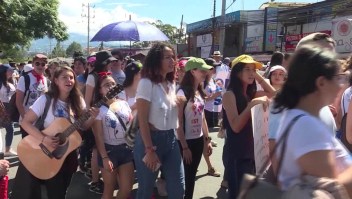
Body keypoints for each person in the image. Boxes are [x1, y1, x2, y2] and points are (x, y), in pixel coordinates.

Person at [273, 45, 352, 197]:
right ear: (321, 83)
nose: (341, 85)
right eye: (338, 78)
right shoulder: (306, 126)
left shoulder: (300, 118)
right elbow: (335, 190)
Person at [11, 66, 99, 199]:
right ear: (56, 80)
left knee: (60, 192)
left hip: (67, 155)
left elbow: (84, 126)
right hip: (44, 151)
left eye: (71, 77)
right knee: (41, 191)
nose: (69, 80)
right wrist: (43, 138)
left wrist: (92, 116)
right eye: (64, 77)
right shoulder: (46, 99)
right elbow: (25, 122)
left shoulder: (78, 101)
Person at [134, 43, 185, 199]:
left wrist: (180, 103)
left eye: (173, 57)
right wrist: (149, 150)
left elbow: (172, 116)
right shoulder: (146, 83)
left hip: (170, 140)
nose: (172, 61)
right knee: (146, 190)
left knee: (178, 188)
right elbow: (142, 120)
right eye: (167, 57)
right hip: (150, 141)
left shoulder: (171, 84)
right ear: (156, 60)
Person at [222, 54, 275, 198]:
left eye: (254, 69)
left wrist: (257, 76)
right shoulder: (229, 95)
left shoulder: (251, 93)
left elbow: (273, 93)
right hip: (237, 155)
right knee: (238, 194)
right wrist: (250, 105)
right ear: (237, 71)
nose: (252, 73)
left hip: (252, 153)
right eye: (247, 69)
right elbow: (235, 126)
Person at [92, 73, 134, 199]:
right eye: (106, 85)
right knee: (109, 188)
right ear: (100, 90)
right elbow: (98, 136)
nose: (110, 87)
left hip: (126, 149)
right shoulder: (98, 109)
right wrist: (104, 158)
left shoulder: (124, 103)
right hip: (109, 151)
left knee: (127, 189)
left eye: (112, 84)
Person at [177, 57, 213, 199]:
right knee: (185, 178)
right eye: (202, 70)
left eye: (206, 70)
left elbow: (202, 117)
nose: (205, 73)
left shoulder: (199, 92)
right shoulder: (181, 93)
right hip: (185, 143)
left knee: (191, 176)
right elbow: (178, 122)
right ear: (192, 71)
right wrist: (185, 147)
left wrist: (207, 139)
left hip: (198, 141)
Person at [85, 50, 117, 194]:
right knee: (97, 148)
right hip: (96, 113)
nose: (111, 64)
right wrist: (89, 116)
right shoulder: (92, 77)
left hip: (109, 113)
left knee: (104, 144)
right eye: (109, 61)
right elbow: (87, 100)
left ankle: (105, 176)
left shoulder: (109, 75)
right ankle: (95, 181)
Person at [16, 54, 49, 138]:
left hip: (41, 121)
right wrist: (25, 119)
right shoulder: (25, 79)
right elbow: (19, 102)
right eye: (37, 63)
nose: (40, 66)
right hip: (27, 120)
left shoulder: (46, 80)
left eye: (43, 64)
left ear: (46, 66)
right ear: (33, 64)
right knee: (27, 147)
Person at [0, 64, 17, 156]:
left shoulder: (11, 81)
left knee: (10, 129)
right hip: (1, 108)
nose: (12, 72)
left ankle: (7, 149)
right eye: (10, 70)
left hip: (9, 108)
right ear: (4, 72)